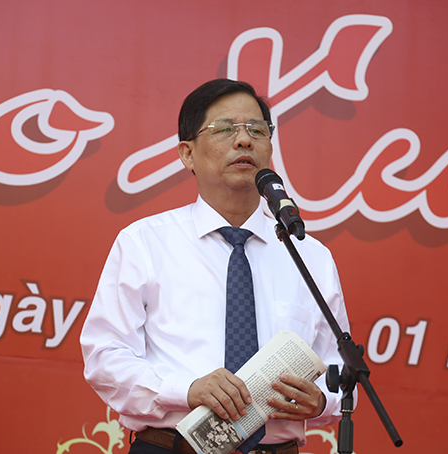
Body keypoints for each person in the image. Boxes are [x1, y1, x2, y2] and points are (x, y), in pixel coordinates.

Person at [80, 79, 353, 454]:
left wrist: (322, 402)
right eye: (224, 129)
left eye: (256, 130)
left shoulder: (309, 255)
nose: (244, 141)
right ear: (187, 154)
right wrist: (187, 390)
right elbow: (104, 357)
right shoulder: (144, 242)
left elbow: (339, 368)